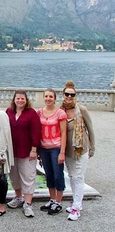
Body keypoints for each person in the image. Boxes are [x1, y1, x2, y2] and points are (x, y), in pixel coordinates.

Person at [60, 81, 96, 221]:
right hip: (68, 150)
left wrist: (93, 147)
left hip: (81, 149)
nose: (69, 96)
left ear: (75, 95)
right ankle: (77, 203)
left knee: (78, 177)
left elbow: (90, 129)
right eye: (67, 94)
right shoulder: (60, 110)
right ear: (63, 95)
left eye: (72, 94)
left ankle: (76, 207)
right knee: (71, 176)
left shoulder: (82, 110)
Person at [5, 90, 41, 218]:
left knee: (28, 176)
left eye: (22, 99)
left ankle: (28, 203)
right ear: (14, 99)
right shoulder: (9, 112)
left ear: (26, 100)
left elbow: (36, 132)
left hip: (27, 151)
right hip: (12, 151)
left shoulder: (31, 114)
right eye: (18, 98)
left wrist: (34, 149)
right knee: (14, 176)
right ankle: (18, 197)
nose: (20, 101)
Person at [37, 89, 67, 215]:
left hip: (56, 148)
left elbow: (64, 132)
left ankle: (59, 202)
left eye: (51, 96)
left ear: (55, 99)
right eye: (46, 96)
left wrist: (62, 152)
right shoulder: (39, 112)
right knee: (48, 174)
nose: (48, 98)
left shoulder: (60, 113)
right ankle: (52, 199)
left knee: (58, 174)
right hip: (44, 148)